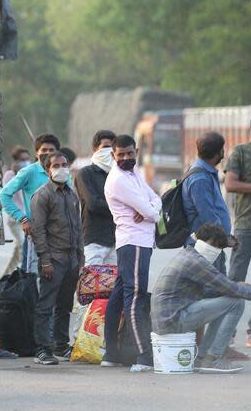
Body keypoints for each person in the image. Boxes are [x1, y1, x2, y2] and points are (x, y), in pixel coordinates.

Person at [151, 224, 251, 373]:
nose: (216, 251)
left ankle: (203, 358)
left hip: (169, 318)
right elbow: (228, 288)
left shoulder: (189, 254)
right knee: (236, 302)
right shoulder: (196, 262)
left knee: (229, 299)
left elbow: (213, 290)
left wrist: (238, 286)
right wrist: (247, 290)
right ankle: (212, 357)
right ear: (208, 241)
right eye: (216, 246)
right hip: (173, 320)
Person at [102, 134, 161, 372]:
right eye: (121, 154)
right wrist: (147, 209)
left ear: (136, 152)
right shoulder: (118, 179)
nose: (126, 158)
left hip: (139, 242)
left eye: (130, 153)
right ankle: (143, 356)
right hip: (133, 242)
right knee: (134, 296)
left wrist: (148, 208)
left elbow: (155, 201)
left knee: (119, 297)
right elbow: (153, 212)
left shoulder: (134, 174)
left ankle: (111, 354)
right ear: (113, 155)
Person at [29, 151, 83, 365]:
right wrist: (45, 261)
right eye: (56, 166)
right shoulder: (42, 195)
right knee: (45, 305)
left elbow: (78, 228)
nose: (61, 169)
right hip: (54, 259)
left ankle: (60, 344)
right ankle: (42, 349)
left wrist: (81, 258)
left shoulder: (71, 194)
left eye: (64, 164)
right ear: (47, 170)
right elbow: (38, 230)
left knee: (65, 304)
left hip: (71, 259)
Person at [0, 134, 61, 274]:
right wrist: (23, 218)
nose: (48, 153)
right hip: (37, 233)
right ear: (36, 153)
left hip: (59, 234)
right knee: (35, 275)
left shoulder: (62, 172)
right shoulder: (28, 172)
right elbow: (4, 195)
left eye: (51, 150)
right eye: (44, 150)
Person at [225, 111, 251, 349]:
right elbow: (231, 183)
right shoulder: (241, 152)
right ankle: (226, 332)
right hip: (246, 226)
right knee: (235, 279)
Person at [182, 132, 230, 267]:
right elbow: (208, 215)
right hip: (205, 246)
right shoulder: (200, 179)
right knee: (211, 287)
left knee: (217, 286)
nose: (224, 153)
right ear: (218, 152)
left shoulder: (205, 173)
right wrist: (224, 237)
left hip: (211, 244)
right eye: (222, 149)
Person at [74, 130, 117, 265]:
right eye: (105, 147)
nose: (109, 151)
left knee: (112, 284)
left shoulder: (118, 174)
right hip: (94, 240)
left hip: (116, 240)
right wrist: (121, 208)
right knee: (91, 283)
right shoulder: (85, 174)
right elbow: (93, 204)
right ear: (95, 150)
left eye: (112, 148)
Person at [2, 146, 32, 272]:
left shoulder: (30, 173)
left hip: (29, 219)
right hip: (16, 220)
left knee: (19, 251)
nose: (25, 162)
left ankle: (5, 277)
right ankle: (23, 274)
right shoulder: (10, 175)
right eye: (22, 159)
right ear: (16, 161)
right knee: (22, 248)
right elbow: (7, 196)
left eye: (27, 159)